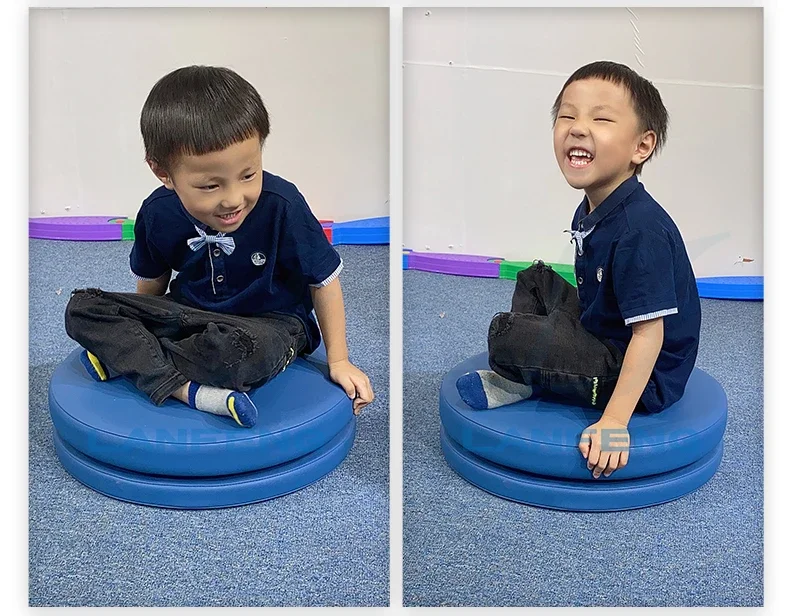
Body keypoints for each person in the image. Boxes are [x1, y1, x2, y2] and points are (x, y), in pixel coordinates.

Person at [65, 65, 374, 428]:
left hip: (270, 323)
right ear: (162, 172)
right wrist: (144, 316)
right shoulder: (157, 211)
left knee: (234, 356)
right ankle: (187, 389)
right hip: (189, 312)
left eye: (248, 175)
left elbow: (324, 282)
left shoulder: (283, 205)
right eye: (210, 186)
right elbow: (151, 284)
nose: (233, 199)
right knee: (81, 308)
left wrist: (339, 360)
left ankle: (130, 359)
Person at [456, 60, 701, 479]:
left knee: (507, 338)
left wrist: (614, 422)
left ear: (641, 147)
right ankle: (543, 364)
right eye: (567, 115)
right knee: (535, 280)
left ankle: (528, 378)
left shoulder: (640, 229)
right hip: (603, 326)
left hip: (639, 367)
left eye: (601, 118)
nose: (577, 127)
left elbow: (650, 333)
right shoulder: (595, 205)